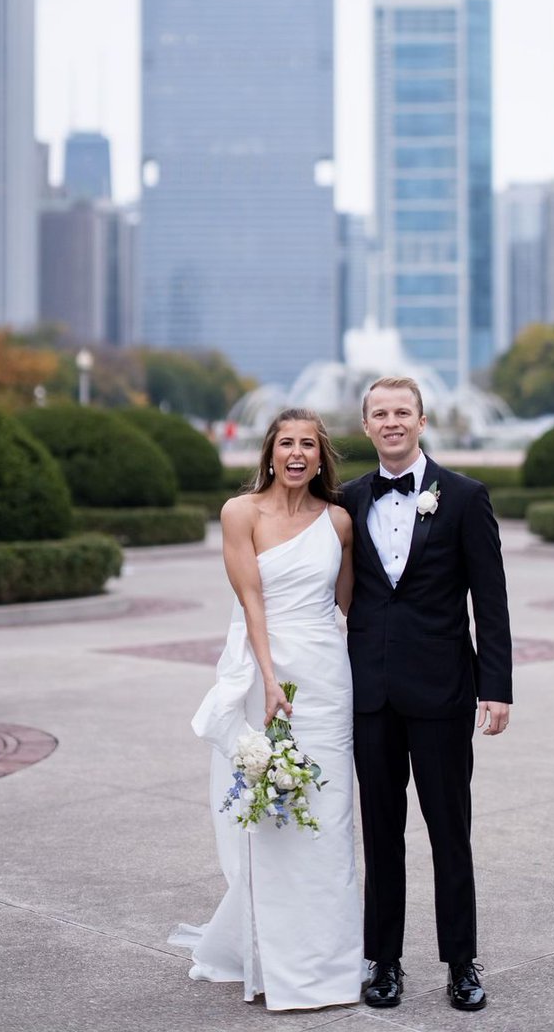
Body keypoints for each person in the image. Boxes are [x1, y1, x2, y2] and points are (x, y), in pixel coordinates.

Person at [169, 408, 364, 1011]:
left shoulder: (338, 522)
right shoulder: (240, 513)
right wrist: (271, 679)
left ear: (322, 455)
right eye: (287, 443)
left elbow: (349, 607)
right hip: (268, 672)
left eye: (309, 444)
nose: (298, 453)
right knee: (275, 813)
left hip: (329, 676)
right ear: (270, 452)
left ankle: (333, 965)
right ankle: (276, 963)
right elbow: (251, 601)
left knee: (330, 815)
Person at [339, 376, 513, 1012]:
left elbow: (490, 602)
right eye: (380, 413)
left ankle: (462, 963)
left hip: (442, 691)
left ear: (421, 420)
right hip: (370, 695)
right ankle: (384, 962)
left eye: (402, 412)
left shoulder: (465, 497)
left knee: (450, 831)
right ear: (366, 425)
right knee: (381, 835)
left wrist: (496, 687)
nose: (391, 422)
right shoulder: (347, 501)